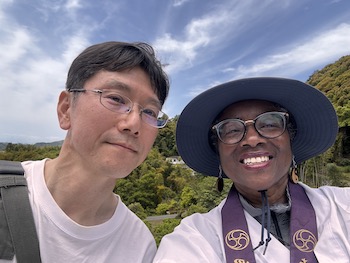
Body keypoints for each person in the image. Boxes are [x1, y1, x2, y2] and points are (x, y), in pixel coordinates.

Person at [1, 41, 169, 263]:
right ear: (66, 109)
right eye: (116, 99)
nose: (134, 124)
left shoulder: (139, 245)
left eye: (150, 112)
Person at [153, 77, 350, 263]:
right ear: (219, 154)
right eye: (232, 130)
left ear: (291, 140)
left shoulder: (342, 207)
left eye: (270, 123)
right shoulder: (194, 239)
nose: (253, 139)